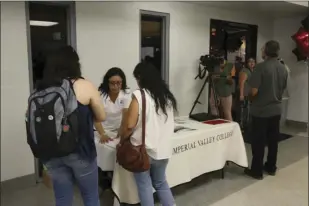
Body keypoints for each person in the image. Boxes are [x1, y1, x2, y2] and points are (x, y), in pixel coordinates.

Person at [38, 46, 105, 206]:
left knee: (62, 199)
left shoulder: (41, 88)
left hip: (52, 154)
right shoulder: (83, 85)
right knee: (90, 197)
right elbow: (102, 116)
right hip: (81, 152)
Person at [121, 62, 177, 206]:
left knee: (144, 187)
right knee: (160, 183)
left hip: (142, 151)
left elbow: (130, 125)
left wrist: (122, 139)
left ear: (140, 77)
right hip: (163, 151)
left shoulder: (139, 96)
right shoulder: (167, 97)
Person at [245, 40, 288, 180]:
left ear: (267, 51)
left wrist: (249, 98)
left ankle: (256, 171)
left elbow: (254, 90)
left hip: (261, 111)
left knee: (258, 142)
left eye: (262, 49)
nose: (261, 51)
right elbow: (282, 89)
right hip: (276, 110)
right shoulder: (283, 68)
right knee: (273, 141)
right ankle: (271, 167)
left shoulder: (260, 67)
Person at [94, 67, 131, 143]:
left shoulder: (126, 94)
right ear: (107, 83)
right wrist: (102, 134)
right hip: (101, 130)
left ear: (122, 82)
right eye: (112, 83)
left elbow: (126, 116)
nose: (115, 86)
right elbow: (96, 118)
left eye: (118, 83)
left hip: (118, 129)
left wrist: (122, 131)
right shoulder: (100, 95)